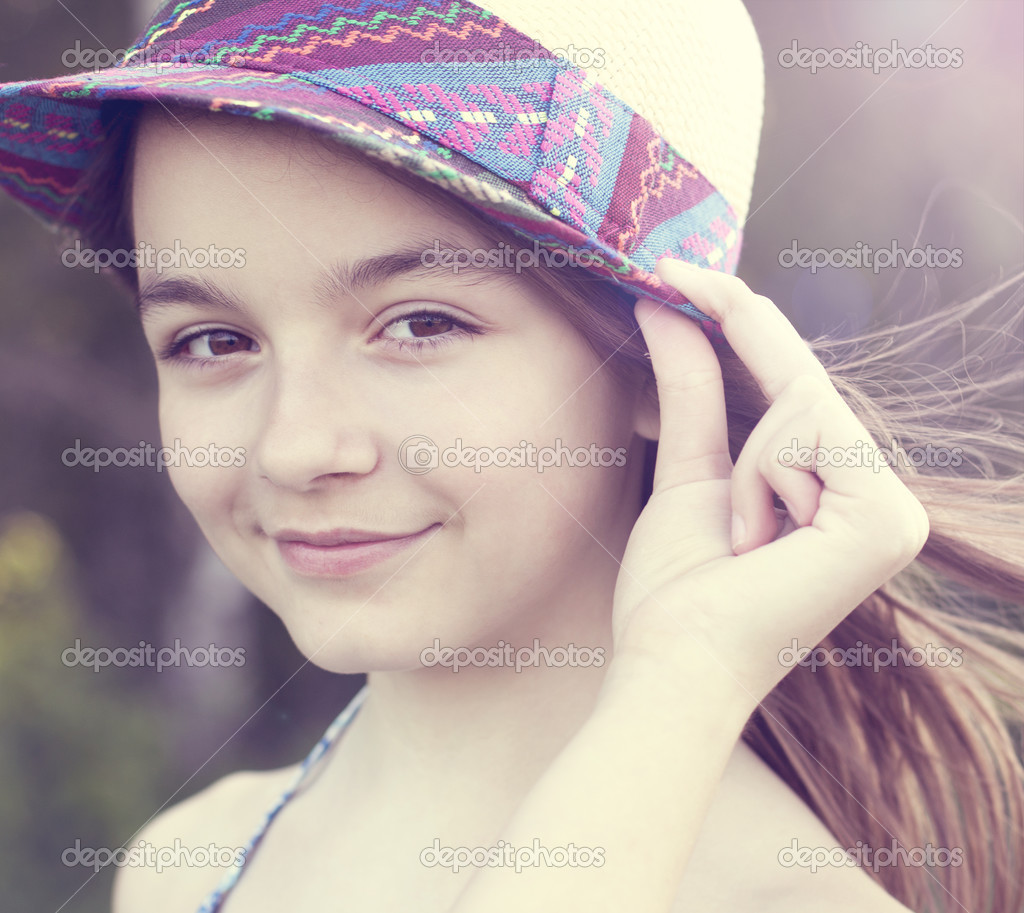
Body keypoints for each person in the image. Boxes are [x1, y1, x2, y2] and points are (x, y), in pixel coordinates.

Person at [1, 2, 1021, 911]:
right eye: (213, 341)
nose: (297, 446)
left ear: (659, 361)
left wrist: (685, 678)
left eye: (421, 323)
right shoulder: (184, 862)